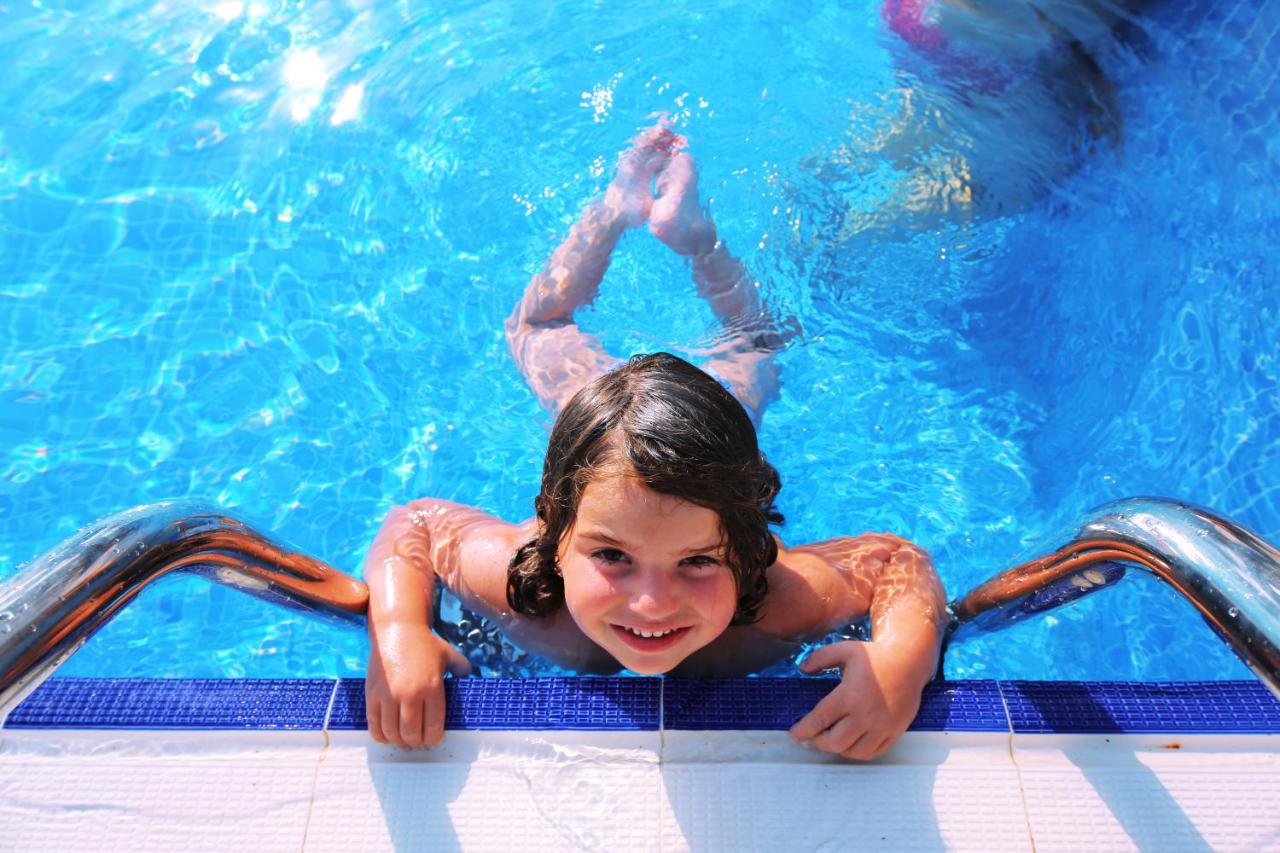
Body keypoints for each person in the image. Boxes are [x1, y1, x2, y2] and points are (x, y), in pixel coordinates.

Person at [364, 124, 948, 760]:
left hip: (700, 431)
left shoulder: (780, 603)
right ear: (554, 531)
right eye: (611, 555)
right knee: (538, 326)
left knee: (757, 342)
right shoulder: (518, 586)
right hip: (601, 432)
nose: (651, 604)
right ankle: (617, 207)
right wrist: (398, 631)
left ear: (748, 548)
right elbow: (417, 525)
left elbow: (896, 562)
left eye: (698, 561)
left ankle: (696, 237)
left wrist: (899, 664)